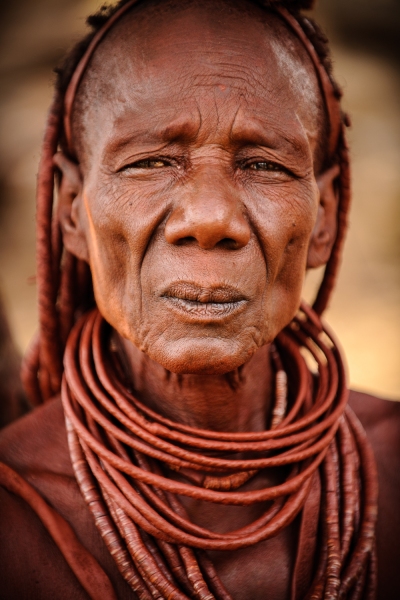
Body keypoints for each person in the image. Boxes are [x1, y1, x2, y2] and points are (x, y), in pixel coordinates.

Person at [0, 0, 399, 598]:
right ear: (71, 211)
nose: (211, 218)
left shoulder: (394, 464)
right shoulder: (14, 504)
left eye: (264, 164)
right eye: (150, 162)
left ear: (325, 217)